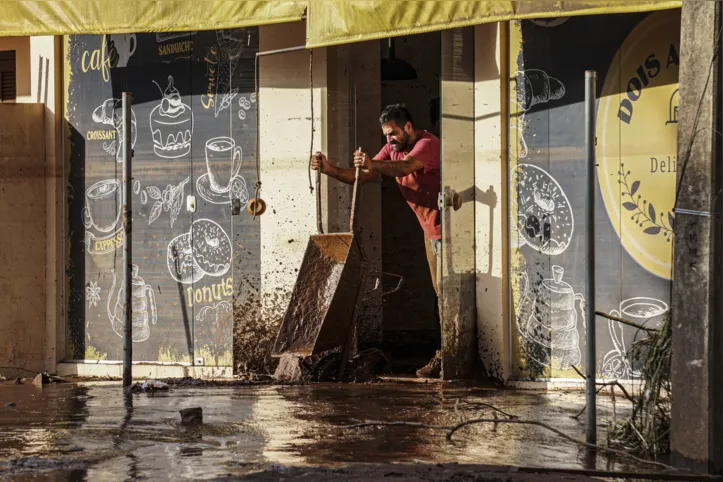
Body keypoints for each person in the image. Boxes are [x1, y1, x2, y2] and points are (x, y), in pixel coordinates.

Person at [310, 104, 443, 378]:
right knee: (439, 292)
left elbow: (403, 167)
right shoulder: (392, 150)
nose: (389, 140)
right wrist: (327, 169)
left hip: (449, 230)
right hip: (430, 230)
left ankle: (447, 356)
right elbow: (358, 177)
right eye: (385, 135)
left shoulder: (428, 143)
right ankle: (444, 354)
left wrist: (375, 163)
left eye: (393, 133)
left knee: (446, 293)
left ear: (408, 127)